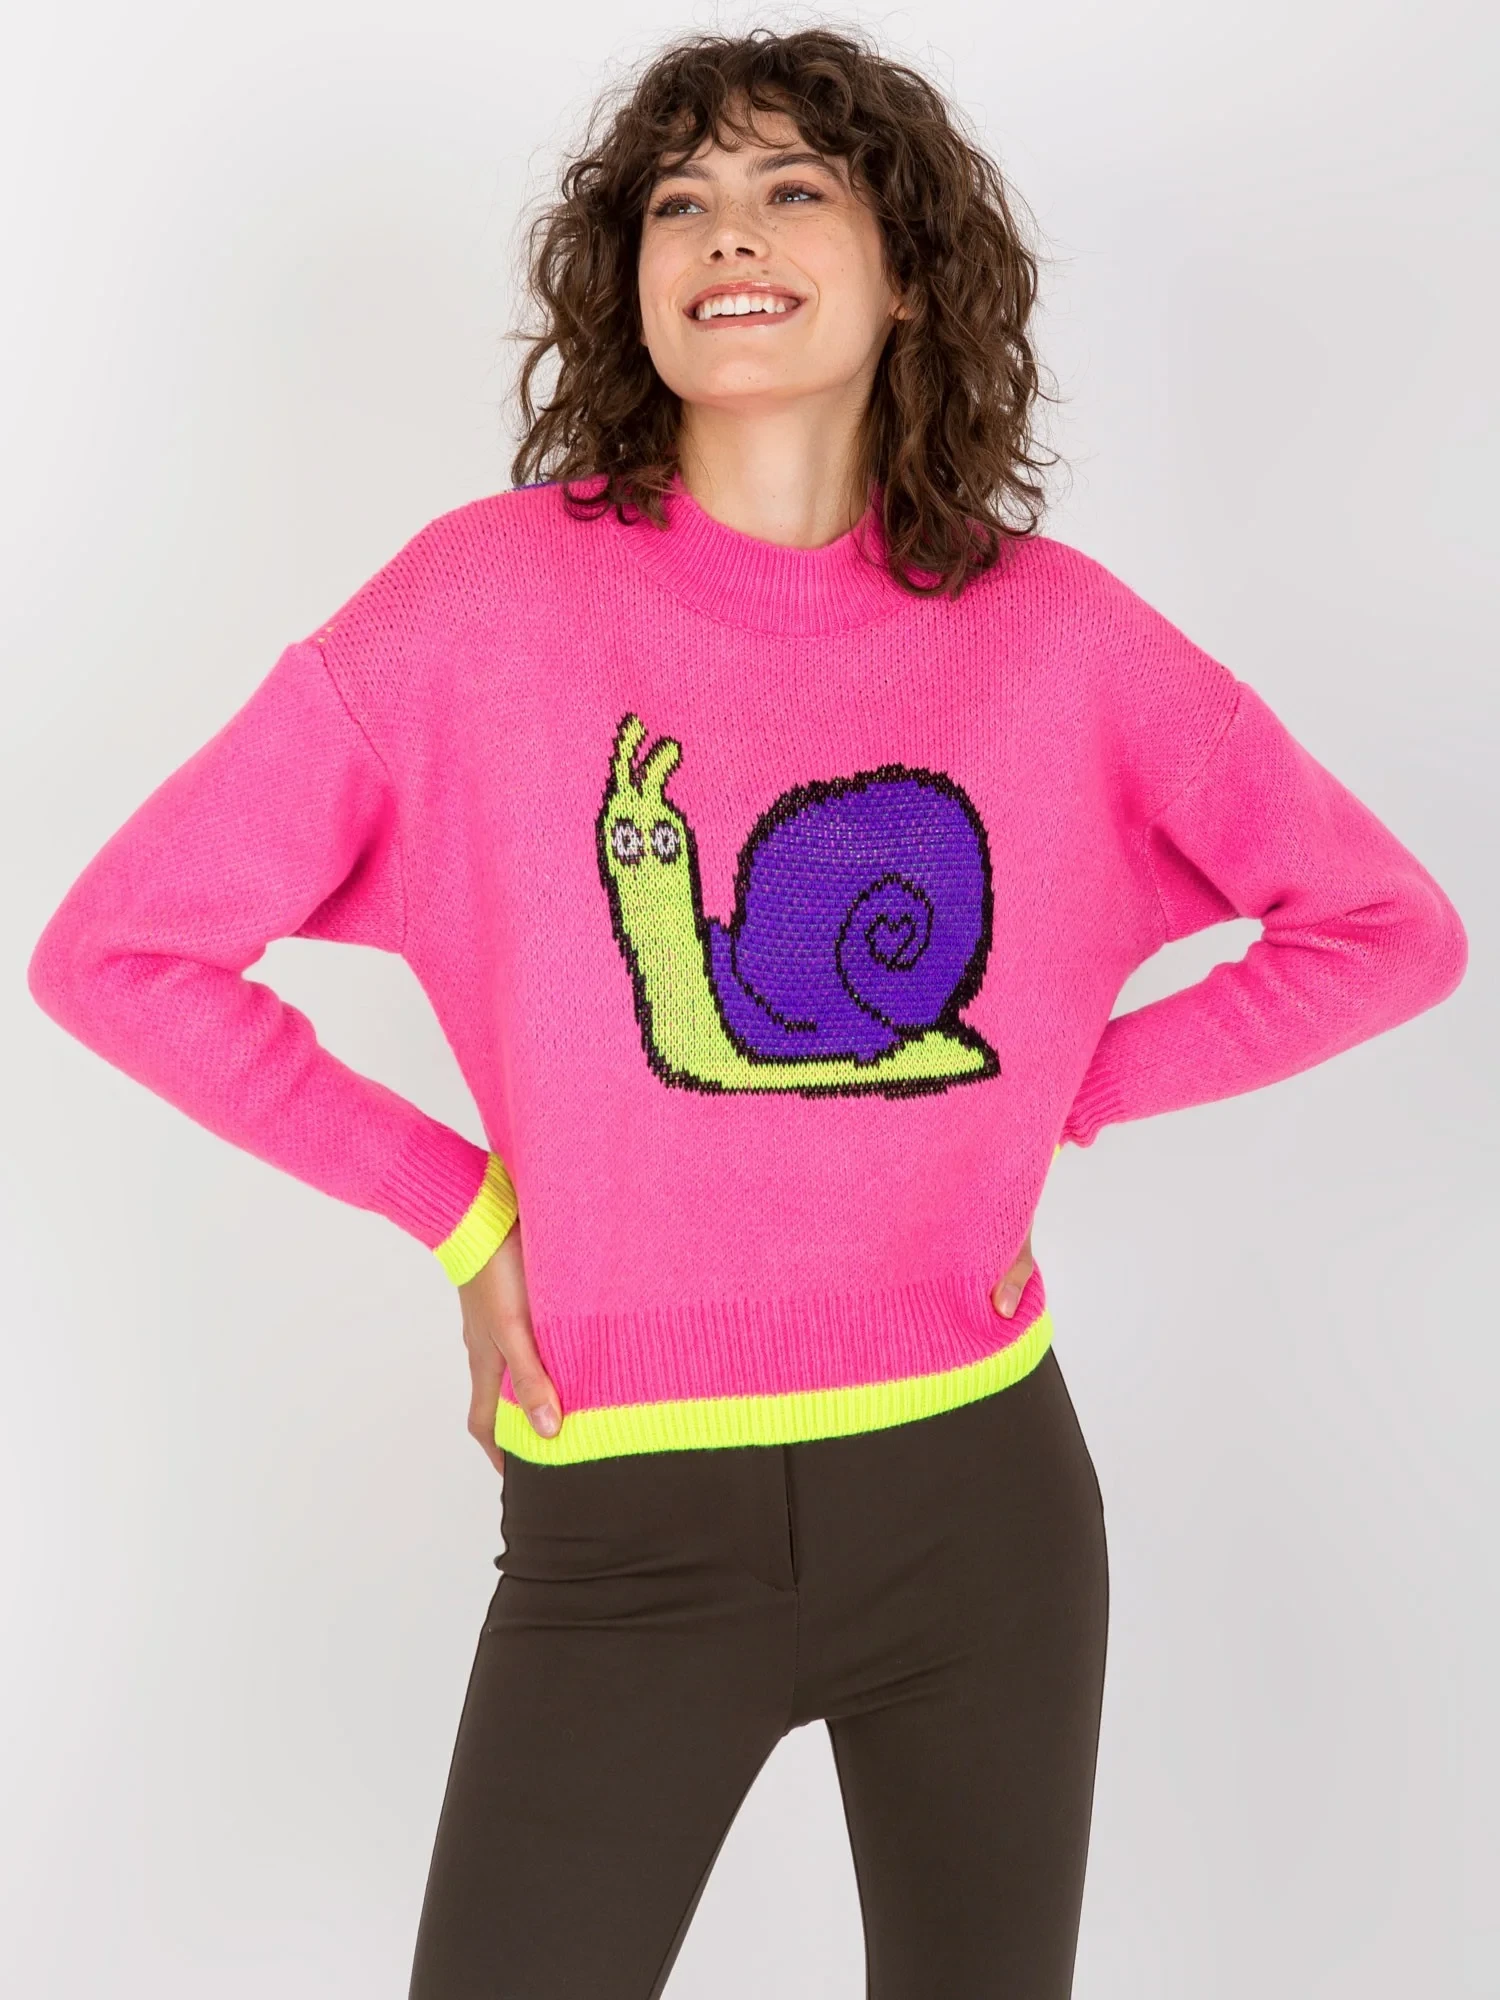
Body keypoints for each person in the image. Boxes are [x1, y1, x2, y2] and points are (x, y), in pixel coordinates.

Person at [26, 25, 1469, 2000]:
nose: (731, 231)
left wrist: (1063, 1086)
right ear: (627, 276)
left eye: (798, 189)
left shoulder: (1060, 641)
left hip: (981, 1498)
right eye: (681, 201)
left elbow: (1387, 927)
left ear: (910, 273)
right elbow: (118, 952)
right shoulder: (475, 613)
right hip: (625, 1523)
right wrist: (461, 1211)